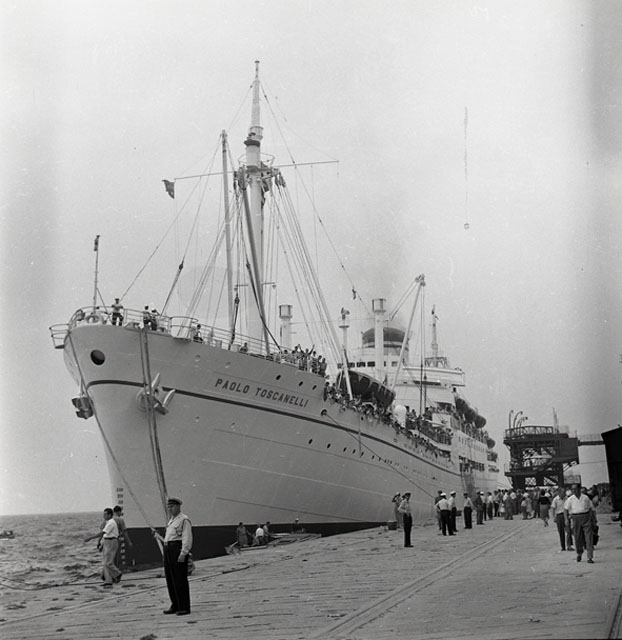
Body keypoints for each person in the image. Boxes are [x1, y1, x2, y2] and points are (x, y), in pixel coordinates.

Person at [152, 496, 193, 615]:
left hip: (177, 549)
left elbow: (187, 537)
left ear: (178, 507)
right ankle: (175, 604)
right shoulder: (171, 521)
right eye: (168, 507)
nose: (170, 509)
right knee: (170, 579)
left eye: (172, 506)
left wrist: (183, 553)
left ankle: (184, 606)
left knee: (180, 579)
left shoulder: (184, 520)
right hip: (168, 549)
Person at [84, 507, 122, 588]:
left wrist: (90, 538)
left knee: (108, 562)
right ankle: (108, 581)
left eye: (105, 514)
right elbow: (105, 535)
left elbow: (102, 533)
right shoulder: (108, 522)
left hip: (111, 541)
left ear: (110, 515)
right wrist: (102, 544)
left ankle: (117, 574)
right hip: (107, 541)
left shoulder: (111, 523)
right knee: (105, 562)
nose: (104, 516)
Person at [566, 484, 596, 563]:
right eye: (572, 489)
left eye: (575, 489)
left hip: (586, 517)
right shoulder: (570, 499)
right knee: (577, 537)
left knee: (589, 537)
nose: (574, 491)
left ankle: (589, 557)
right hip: (576, 518)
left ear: (579, 489)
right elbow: (565, 509)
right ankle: (579, 553)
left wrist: (594, 520)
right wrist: (566, 520)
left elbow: (592, 509)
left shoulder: (585, 498)